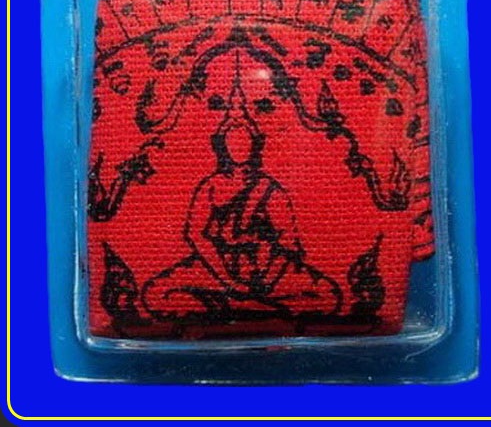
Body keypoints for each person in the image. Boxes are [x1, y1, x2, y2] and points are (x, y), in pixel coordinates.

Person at [142, 55, 342, 322]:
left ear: (255, 145)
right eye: (232, 141)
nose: (239, 147)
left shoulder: (268, 189)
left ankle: (236, 308)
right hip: (217, 268)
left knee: (327, 295)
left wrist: (266, 281)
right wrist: (226, 280)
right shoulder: (211, 187)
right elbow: (197, 236)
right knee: (157, 294)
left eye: (244, 141)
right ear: (222, 145)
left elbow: (286, 241)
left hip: (265, 266)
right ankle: (257, 310)